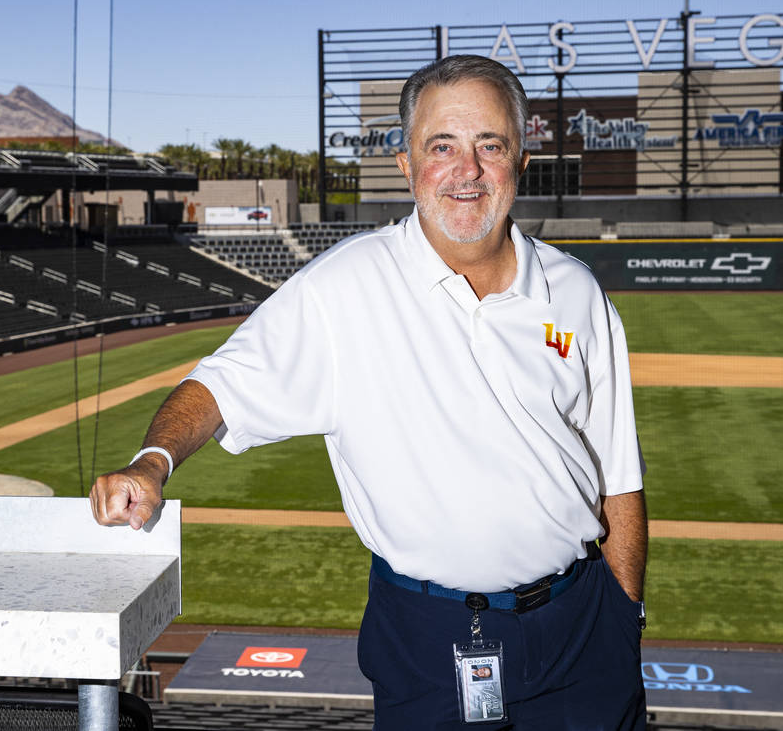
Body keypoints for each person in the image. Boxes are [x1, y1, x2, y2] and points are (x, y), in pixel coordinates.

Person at [91, 53, 648, 730]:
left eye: (489, 145)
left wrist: (624, 619)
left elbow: (617, 476)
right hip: (425, 636)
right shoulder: (343, 287)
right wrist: (153, 462)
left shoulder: (576, 292)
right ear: (408, 165)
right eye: (441, 146)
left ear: (520, 159)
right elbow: (219, 386)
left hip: (580, 633)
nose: (466, 170)